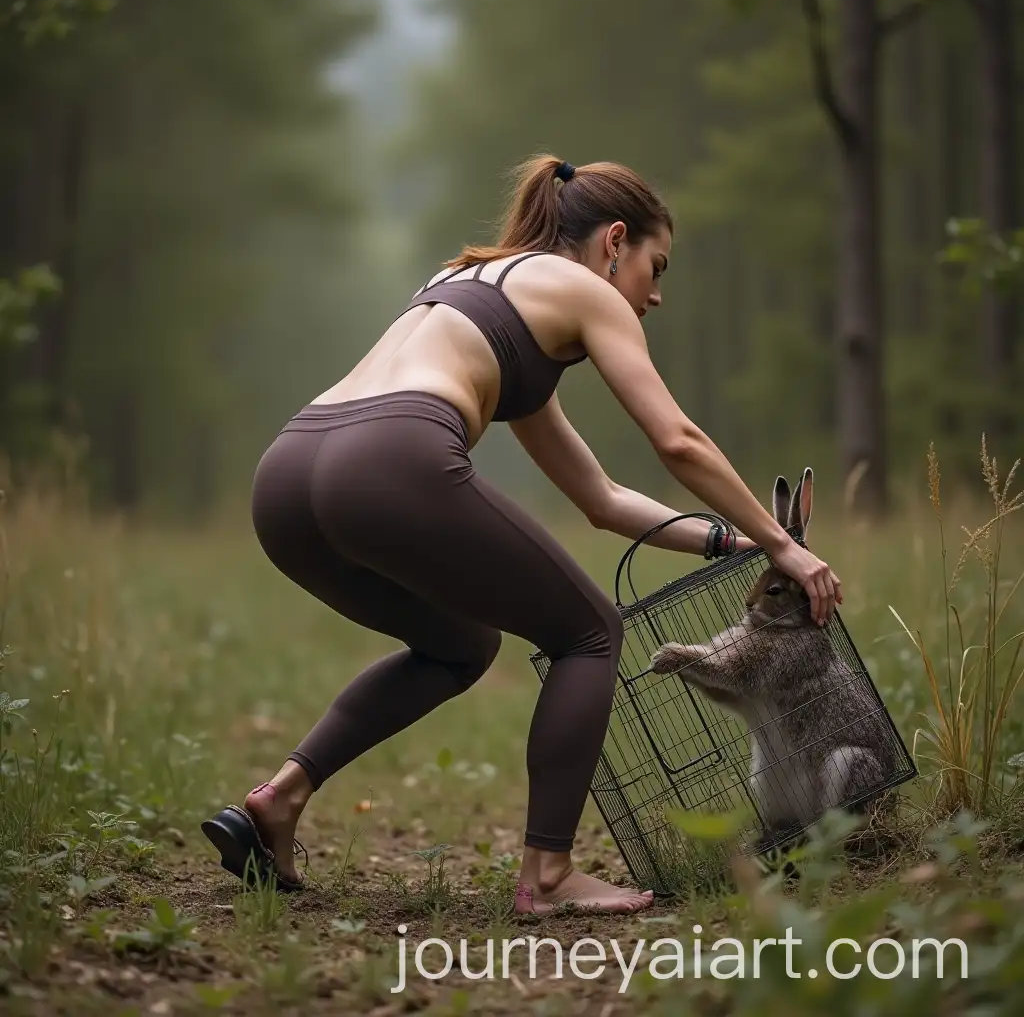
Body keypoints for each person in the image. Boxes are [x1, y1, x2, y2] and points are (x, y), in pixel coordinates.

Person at [201, 153, 842, 915]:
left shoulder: (472, 292)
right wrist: (784, 543)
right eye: (654, 265)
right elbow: (678, 440)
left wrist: (726, 541)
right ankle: (547, 875)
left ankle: (277, 800)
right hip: (388, 457)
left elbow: (601, 498)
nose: (656, 295)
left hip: (290, 474)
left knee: (460, 646)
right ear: (613, 242)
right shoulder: (580, 289)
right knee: (591, 633)